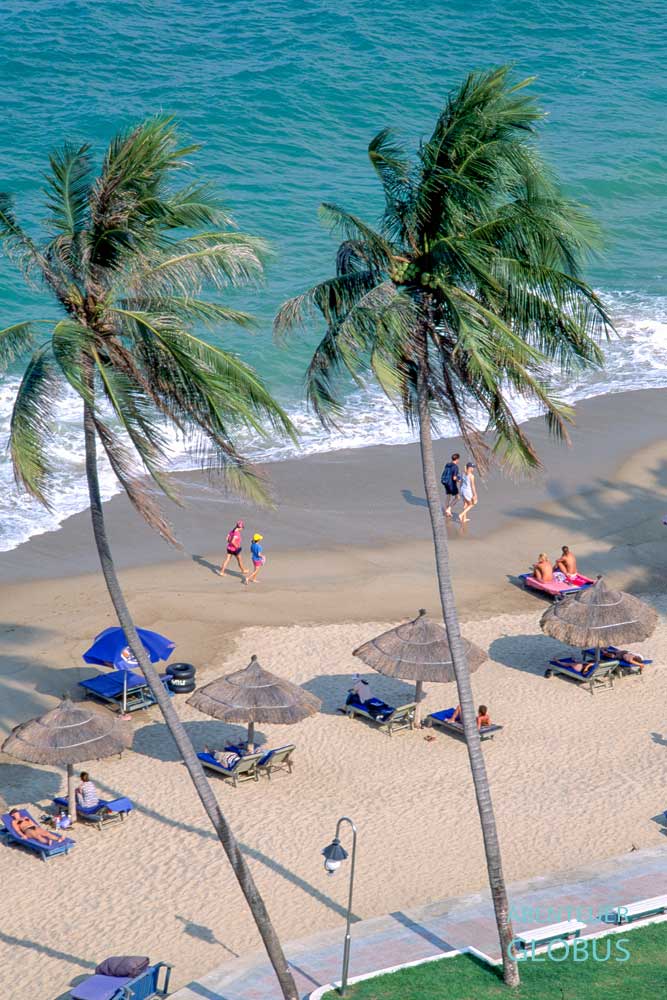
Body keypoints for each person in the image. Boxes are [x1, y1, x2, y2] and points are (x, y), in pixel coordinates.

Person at [441, 453, 461, 518]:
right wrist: (459, 480)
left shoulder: (447, 464)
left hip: (445, 482)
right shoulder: (455, 467)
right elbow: (454, 478)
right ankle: (449, 509)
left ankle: (446, 511)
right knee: (458, 498)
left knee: (448, 496)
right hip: (451, 484)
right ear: (457, 459)